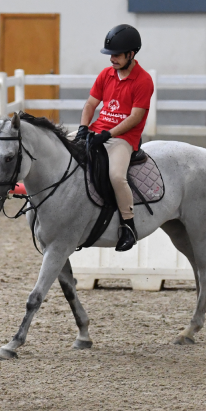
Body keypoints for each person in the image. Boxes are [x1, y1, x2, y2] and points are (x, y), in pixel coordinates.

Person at [74, 24, 154, 252]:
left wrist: (109, 134)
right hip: (97, 130)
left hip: (124, 138)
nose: (112, 59)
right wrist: (83, 127)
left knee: (117, 176)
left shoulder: (143, 80)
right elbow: (91, 103)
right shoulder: (105, 74)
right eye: (110, 55)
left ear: (131, 54)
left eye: (117, 55)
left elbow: (136, 117)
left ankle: (128, 225)